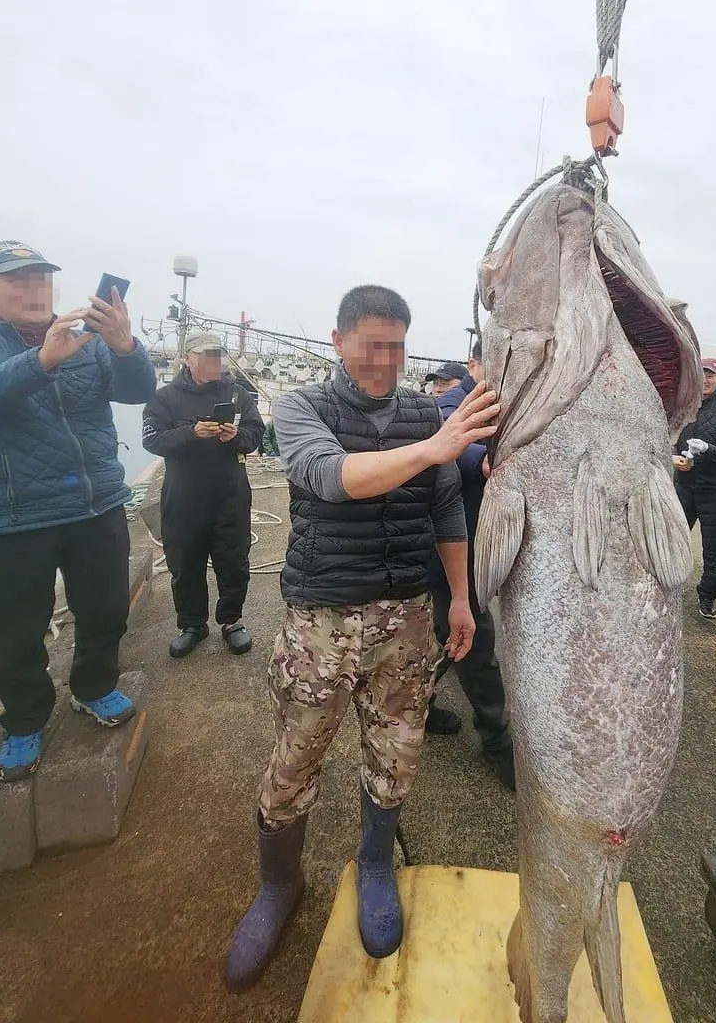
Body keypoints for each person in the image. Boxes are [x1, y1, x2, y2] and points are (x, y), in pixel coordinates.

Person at [224, 285, 499, 990]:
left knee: (398, 752)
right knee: (296, 758)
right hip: (322, 618)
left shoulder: (417, 410)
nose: (386, 359)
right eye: (373, 343)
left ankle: (377, 862)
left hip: (406, 616)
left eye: (398, 345)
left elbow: (445, 513)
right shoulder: (304, 407)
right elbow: (330, 478)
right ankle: (278, 888)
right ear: (340, 340)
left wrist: (460, 601)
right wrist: (437, 444)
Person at [0, 240, 157, 781]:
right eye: (17, 279)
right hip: (17, 516)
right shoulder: (41, 345)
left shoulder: (86, 340)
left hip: (97, 503)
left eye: (41, 278)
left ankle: (93, 686)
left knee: (107, 607)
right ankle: (24, 717)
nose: (33, 289)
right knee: (17, 627)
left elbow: (139, 391)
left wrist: (125, 345)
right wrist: (41, 360)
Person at [424, 339, 515, 789]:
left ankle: (419, 704)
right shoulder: (452, 402)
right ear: (474, 365)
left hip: (478, 539)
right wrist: (482, 462)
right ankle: (497, 739)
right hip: (446, 547)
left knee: (438, 636)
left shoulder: (507, 402)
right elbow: (452, 441)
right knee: (474, 638)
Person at [141, 331, 265, 658]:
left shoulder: (238, 393)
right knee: (185, 564)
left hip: (230, 495)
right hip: (183, 497)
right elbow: (152, 440)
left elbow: (256, 435)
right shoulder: (165, 398)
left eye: (218, 355)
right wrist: (191, 433)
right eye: (207, 355)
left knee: (233, 561)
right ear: (188, 358)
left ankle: (232, 621)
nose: (215, 361)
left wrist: (236, 436)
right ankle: (192, 624)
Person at [673, 357, 716, 620]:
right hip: (685, 488)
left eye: (711, 375)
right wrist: (677, 459)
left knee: (713, 548)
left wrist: (708, 449)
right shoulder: (685, 406)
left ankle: (708, 595)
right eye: (701, 375)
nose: (706, 380)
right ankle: (672, 586)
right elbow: (671, 441)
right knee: (675, 540)